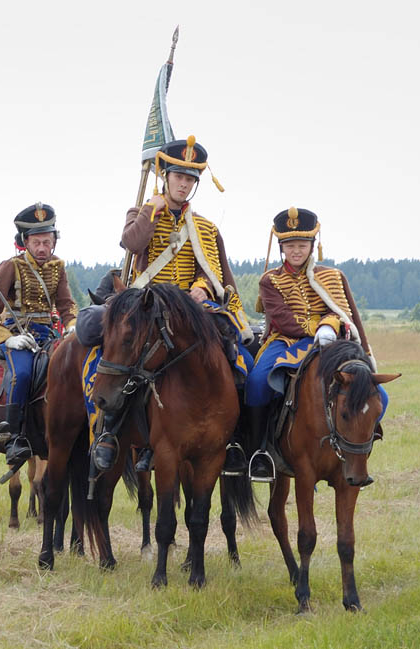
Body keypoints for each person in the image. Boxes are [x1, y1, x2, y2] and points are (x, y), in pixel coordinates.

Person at [116, 135, 253, 475]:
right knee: (122, 359)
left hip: (193, 311)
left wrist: (202, 288)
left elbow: (214, 273)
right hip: (151, 306)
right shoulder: (143, 214)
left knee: (236, 358)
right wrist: (152, 208)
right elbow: (130, 243)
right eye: (179, 176)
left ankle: (232, 439)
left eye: (190, 179)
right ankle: (115, 435)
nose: (184, 183)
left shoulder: (205, 228)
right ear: (166, 177)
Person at [245, 207, 385, 481]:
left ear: (312, 246)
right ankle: (259, 450)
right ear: (281, 248)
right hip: (284, 341)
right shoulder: (270, 280)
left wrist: (329, 325)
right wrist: (314, 327)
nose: (296, 251)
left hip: (330, 344)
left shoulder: (332, 277)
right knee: (257, 383)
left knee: (381, 395)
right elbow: (282, 319)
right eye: (290, 246)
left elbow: (342, 312)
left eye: (302, 245)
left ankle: (358, 446)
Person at [0, 203, 77, 465]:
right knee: (24, 373)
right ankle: (15, 438)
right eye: (37, 242)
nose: (42, 248)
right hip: (18, 337)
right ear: (25, 242)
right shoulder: (11, 266)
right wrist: (7, 337)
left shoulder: (58, 268)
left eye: (47, 242)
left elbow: (66, 305)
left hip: (48, 336)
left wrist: (72, 326)